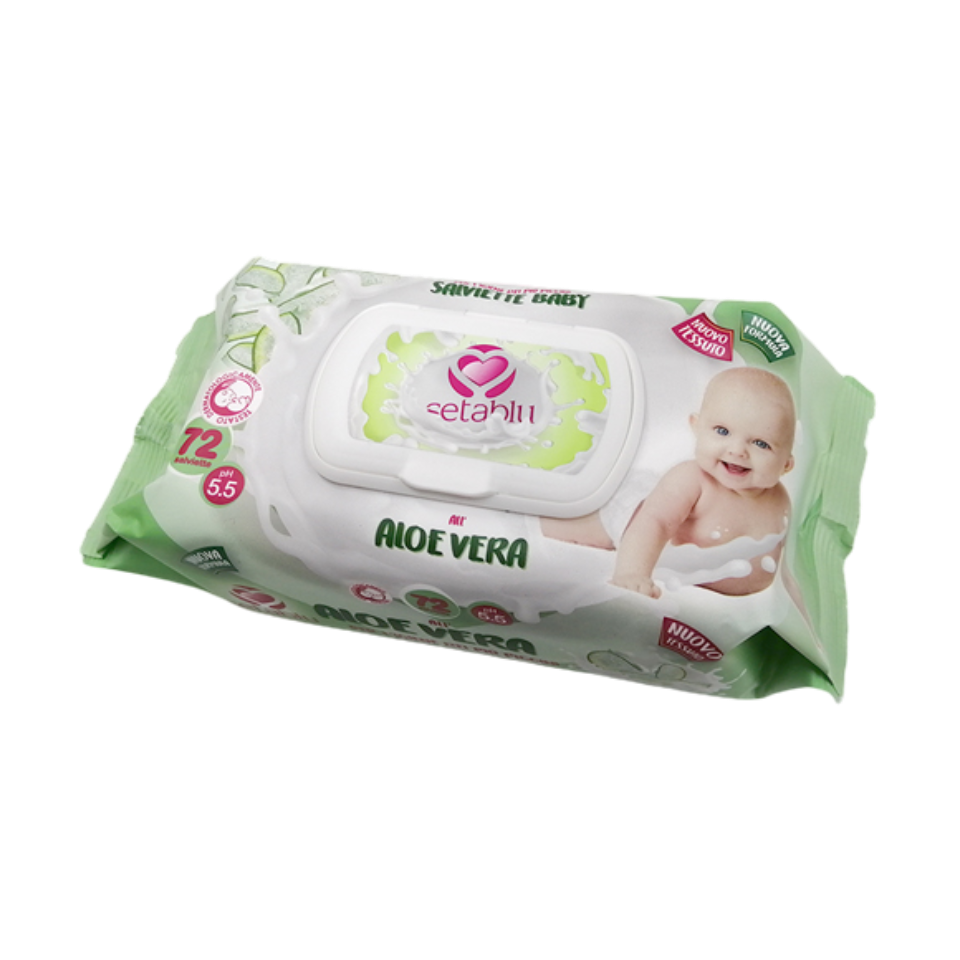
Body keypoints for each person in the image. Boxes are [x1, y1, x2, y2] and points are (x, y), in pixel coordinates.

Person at [541, 366, 796, 597]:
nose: (737, 450)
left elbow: (791, 562)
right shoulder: (692, 479)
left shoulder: (782, 501)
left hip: (700, 590)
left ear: (786, 464)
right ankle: (535, 509)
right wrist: (632, 573)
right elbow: (655, 522)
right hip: (633, 514)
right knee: (570, 528)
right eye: (722, 431)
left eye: (761, 443)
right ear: (696, 427)